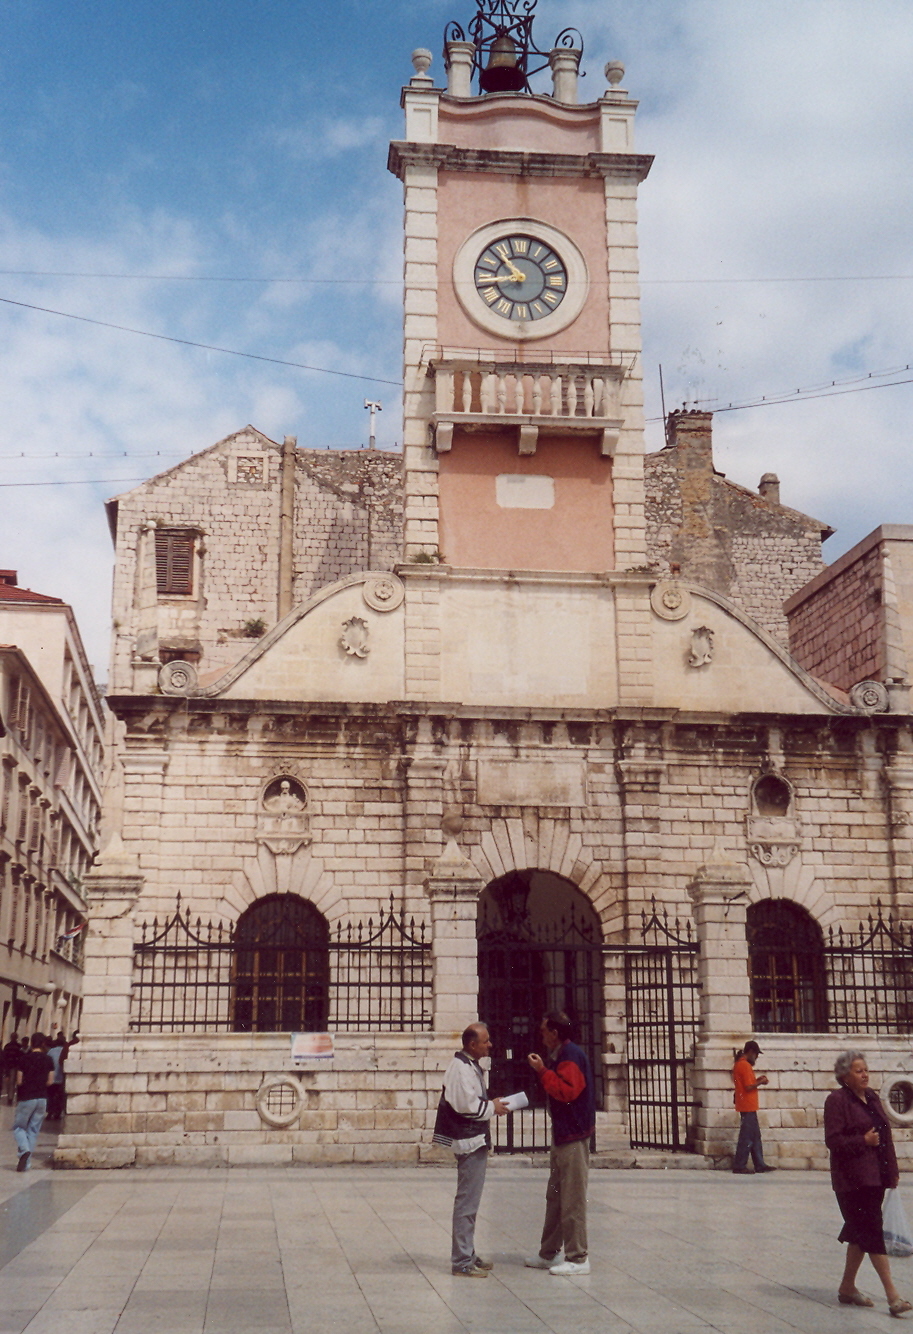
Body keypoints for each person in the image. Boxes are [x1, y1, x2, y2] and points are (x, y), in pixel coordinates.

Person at [824, 1050, 911, 1317]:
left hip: (875, 1177)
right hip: (852, 1181)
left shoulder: (872, 1097)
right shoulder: (836, 1101)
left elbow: (885, 1136)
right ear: (844, 1076)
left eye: (866, 1069)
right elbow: (833, 1141)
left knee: (860, 1233)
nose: (865, 1074)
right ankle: (893, 1297)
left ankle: (847, 1287)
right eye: (859, 1070)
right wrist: (862, 1141)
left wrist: (892, 1171)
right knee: (871, 1232)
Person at [432, 1022, 508, 1278]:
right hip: (469, 1141)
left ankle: (468, 1253)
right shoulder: (460, 1069)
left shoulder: (469, 1066)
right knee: (467, 1201)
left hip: (475, 1139)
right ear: (472, 1044)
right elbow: (467, 1105)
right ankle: (461, 1260)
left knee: (471, 1201)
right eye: (485, 1041)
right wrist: (492, 1107)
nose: (490, 1045)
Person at [525, 1011, 595, 1276]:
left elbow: (566, 1092)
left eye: (544, 1030)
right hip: (563, 1136)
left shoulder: (571, 1056)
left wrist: (541, 1070)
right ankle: (549, 1252)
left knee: (573, 1198)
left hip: (574, 1137)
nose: (541, 1035)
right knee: (555, 1196)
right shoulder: (562, 1055)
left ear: (555, 1033)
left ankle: (578, 1257)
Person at [731, 1040, 776, 1174]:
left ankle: (759, 1164)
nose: (756, 1057)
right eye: (756, 1054)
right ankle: (739, 1165)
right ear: (751, 1052)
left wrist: (757, 1081)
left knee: (755, 1136)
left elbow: (747, 1084)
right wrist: (761, 1082)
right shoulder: (744, 1065)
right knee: (747, 1137)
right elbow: (748, 1087)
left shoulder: (740, 1065)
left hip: (747, 1105)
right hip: (747, 1106)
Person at [13, 1033, 54, 1171]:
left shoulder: (24, 1059)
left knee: (19, 1127)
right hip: (42, 1098)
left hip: (26, 1097)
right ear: (43, 1044)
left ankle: (24, 1151)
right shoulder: (48, 1059)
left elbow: (19, 1081)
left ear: (31, 1043)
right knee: (33, 1130)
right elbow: (50, 1081)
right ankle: (27, 1164)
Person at [1, 1034, 22, 1105]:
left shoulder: (18, 1046)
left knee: (12, 1082)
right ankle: (10, 1097)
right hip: (9, 1066)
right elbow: (4, 1057)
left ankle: (10, 1098)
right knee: (9, 1083)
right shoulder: (8, 1046)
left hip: (15, 1066)